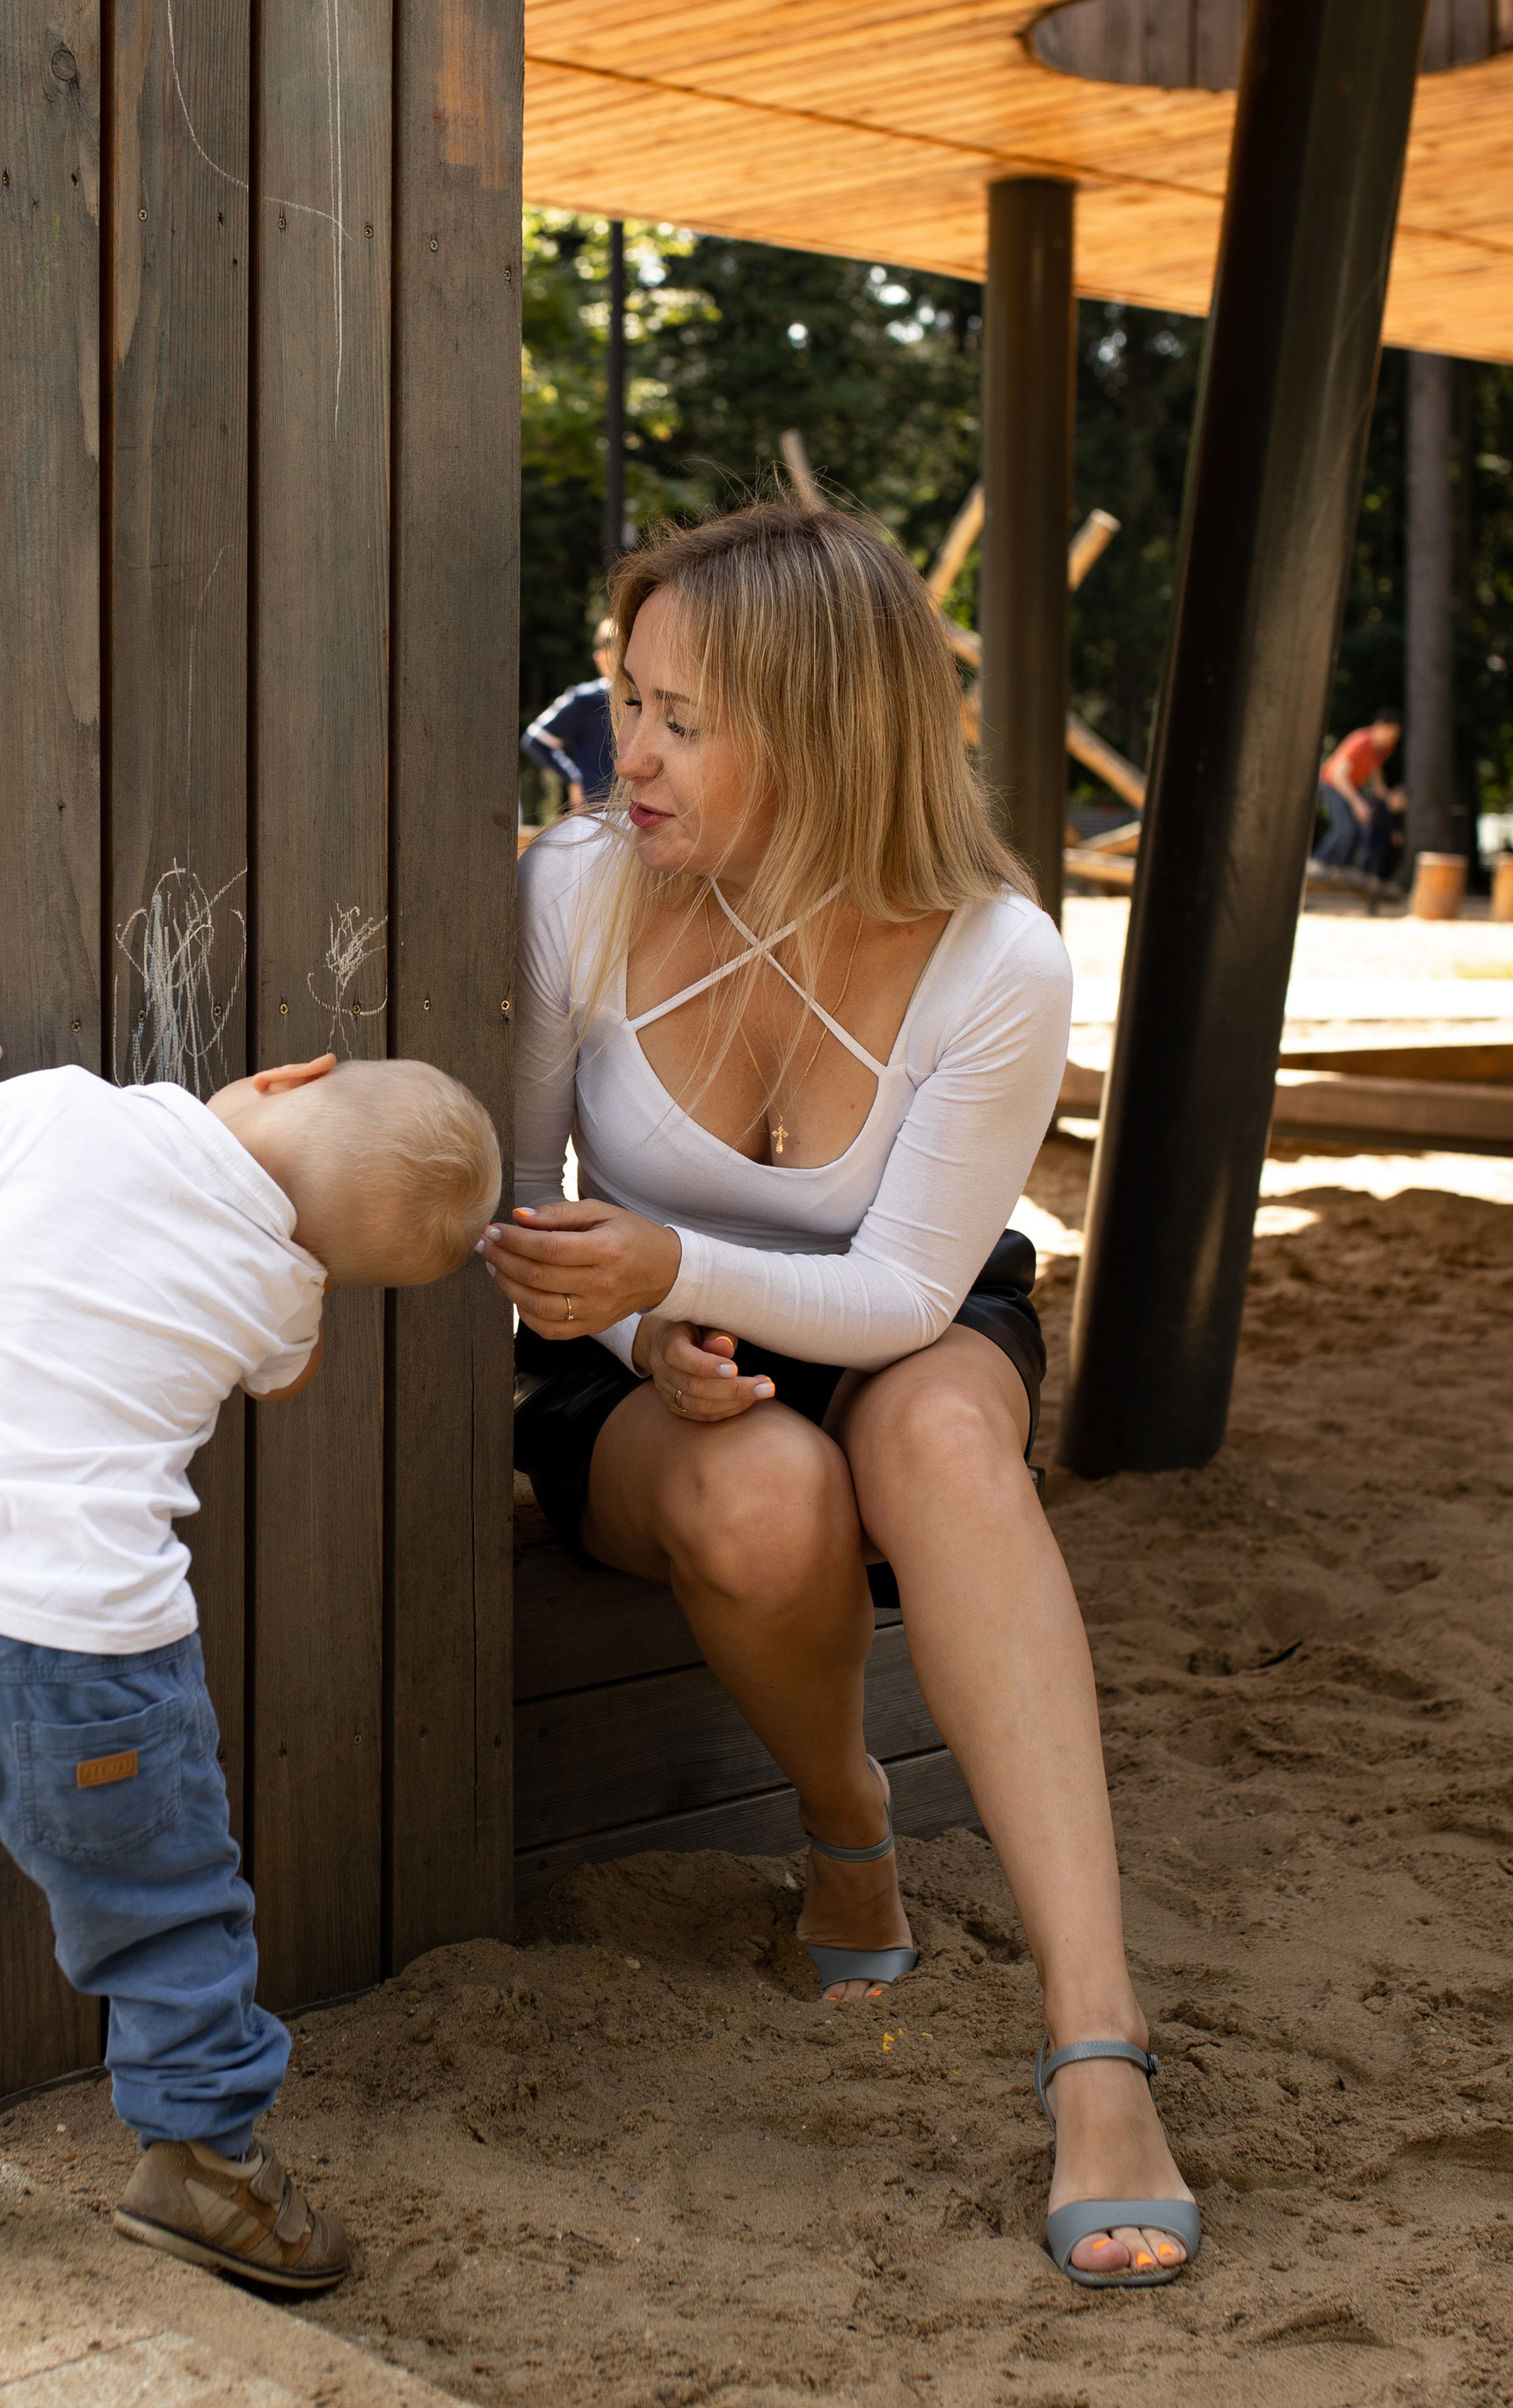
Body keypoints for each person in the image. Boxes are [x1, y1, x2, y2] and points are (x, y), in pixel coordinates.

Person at [484, 501, 1198, 2289]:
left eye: (678, 721)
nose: (622, 755)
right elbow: (515, 1218)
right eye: (622, 698)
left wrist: (677, 1272)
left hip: (894, 1306)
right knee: (758, 1496)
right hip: (619, 1339)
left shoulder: (993, 960)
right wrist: (637, 1329)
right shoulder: (577, 887)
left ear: (815, 726)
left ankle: (1095, 2050)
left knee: (949, 1439)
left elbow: (896, 1291)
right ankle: (845, 1824)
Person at [0, 990, 499, 2286]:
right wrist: (309, 1258)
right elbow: (288, 1371)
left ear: (291, 1073)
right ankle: (205, 2169)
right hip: (90, 1658)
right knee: (162, 1913)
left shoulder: (58, 1112)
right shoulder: (283, 1290)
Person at [523, 615, 622, 812]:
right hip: (595, 812)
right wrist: (573, 778)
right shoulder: (586, 699)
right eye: (614, 648)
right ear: (601, 657)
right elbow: (535, 739)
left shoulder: (648, 700)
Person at [1316, 713, 1404, 876]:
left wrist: (1384, 795)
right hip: (1332, 784)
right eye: (1391, 734)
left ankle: (1340, 868)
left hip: (1352, 787)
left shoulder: (1384, 747)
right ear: (1380, 726)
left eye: (1396, 736)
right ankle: (1318, 862)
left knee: (1363, 828)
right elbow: (1338, 776)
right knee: (1345, 828)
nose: (1393, 739)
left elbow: (1374, 769)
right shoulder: (1360, 741)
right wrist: (1357, 803)